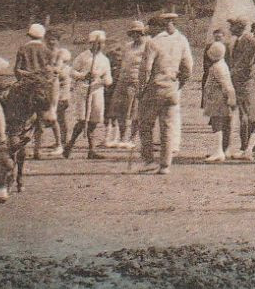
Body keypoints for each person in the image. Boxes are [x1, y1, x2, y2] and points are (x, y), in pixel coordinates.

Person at [137, 11, 193, 174]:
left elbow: (145, 69)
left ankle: (148, 161)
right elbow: (188, 67)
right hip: (172, 88)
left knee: (145, 125)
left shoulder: (153, 43)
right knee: (167, 127)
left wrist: (140, 90)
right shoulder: (181, 40)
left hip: (154, 88)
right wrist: (179, 84)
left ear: (159, 26)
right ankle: (165, 165)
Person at [64, 31, 113, 159]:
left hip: (97, 91)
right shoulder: (83, 56)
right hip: (83, 91)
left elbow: (108, 78)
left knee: (94, 121)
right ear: (91, 44)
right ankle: (70, 144)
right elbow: (72, 71)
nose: (99, 46)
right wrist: (83, 76)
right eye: (96, 43)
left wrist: (102, 80)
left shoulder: (105, 60)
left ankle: (91, 150)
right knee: (82, 120)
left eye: (101, 43)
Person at [14, 23, 59, 157]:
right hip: (42, 89)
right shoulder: (47, 51)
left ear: (29, 35)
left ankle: (22, 148)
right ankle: (37, 150)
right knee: (41, 120)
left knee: (22, 119)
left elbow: (17, 70)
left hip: (25, 87)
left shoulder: (23, 48)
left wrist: (26, 75)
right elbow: (50, 72)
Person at [108, 22, 148, 150]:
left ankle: (132, 138)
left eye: (138, 33)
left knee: (135, 112)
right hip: (123, 81)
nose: (136, 35)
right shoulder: (127, 46)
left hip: (137, 82)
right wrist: (117, 78)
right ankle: (121, 137)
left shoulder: (147, 46)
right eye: (133, 33)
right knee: (121, 111)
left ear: (142, 33)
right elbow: (121, 64)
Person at [228, 18, 255, 159]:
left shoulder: (249, 41)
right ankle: (247, 146)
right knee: (243, 115)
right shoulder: (240, 40)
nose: (230, 29)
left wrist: (232, 72)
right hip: (239, 82)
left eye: (232, 26)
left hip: (245, 82)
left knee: (246, 115)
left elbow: (247, 62)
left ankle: (247, 147)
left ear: (239, 27)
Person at [201, 41, 236, 162]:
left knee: (217, 124)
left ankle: (219, 150)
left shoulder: (217, 67)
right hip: (219, 99)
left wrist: (231, 98)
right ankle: (221, 149)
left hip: (217, 100)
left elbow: (226, 85)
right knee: (221, 124)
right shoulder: (222, 65)